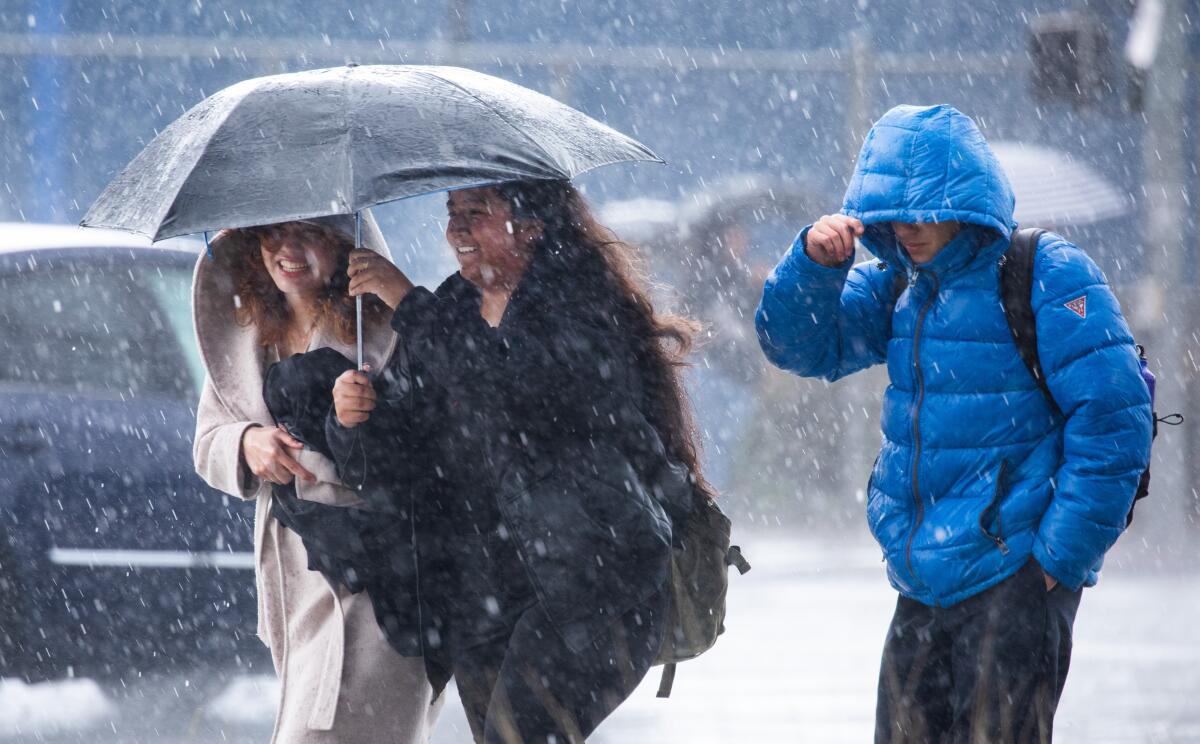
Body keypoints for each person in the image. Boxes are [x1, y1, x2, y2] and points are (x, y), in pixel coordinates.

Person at [755, 104, 1153, 743]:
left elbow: (1115, 422)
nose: (908, 229)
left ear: (963, 204)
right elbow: (800, 349)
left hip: (1013, 579)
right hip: (922, 583)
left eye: (926, 212)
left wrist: (1055, 562)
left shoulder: (1046, 273)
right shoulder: (899, 283)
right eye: (896, 215)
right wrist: (812, 266)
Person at [324, 180, 707, 743]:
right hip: (485, 591)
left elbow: (522, 390)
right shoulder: (451, 306)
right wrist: (352, 423)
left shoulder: (580, 304)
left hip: (593, 581)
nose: (455, 230)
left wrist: (410, 305)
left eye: (475, 213)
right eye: (451, 213)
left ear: (532, 225)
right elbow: (396, 452)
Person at [191, 215, 439, 743]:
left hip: (378, 579)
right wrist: (247, 442)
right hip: (294, 578)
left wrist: (355, 424)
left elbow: (425, 459)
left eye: (307, 233)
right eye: (272, 235)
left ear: (343, 242)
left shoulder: (386, 331)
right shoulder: (249, 335)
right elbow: (207, 442)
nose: (288, 250)